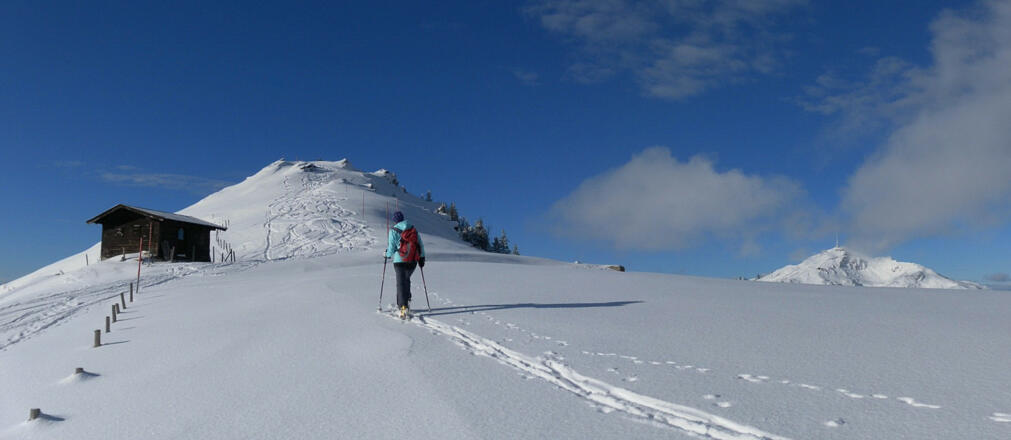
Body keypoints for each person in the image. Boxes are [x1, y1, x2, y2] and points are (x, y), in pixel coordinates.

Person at [385, 211, 425, 318]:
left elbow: (392, 247)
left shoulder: (393, 230)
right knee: (406, 279)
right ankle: (407, 299)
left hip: (399, 261)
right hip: (412, 260)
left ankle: (403, 307)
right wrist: (422, 257)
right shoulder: (413, 229)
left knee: (400, 283)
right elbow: (420, 244)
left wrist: (387, 254)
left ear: (395, 220)